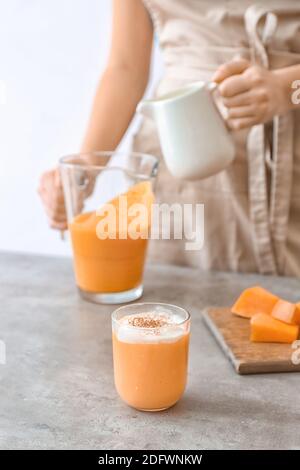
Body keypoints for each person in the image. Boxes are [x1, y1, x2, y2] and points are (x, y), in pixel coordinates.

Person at [38, 0, 300, 276]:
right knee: (172, 304)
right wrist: (86, 167)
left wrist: (287, 90)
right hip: (178, 161)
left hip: (290, 161)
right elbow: (125, 69)